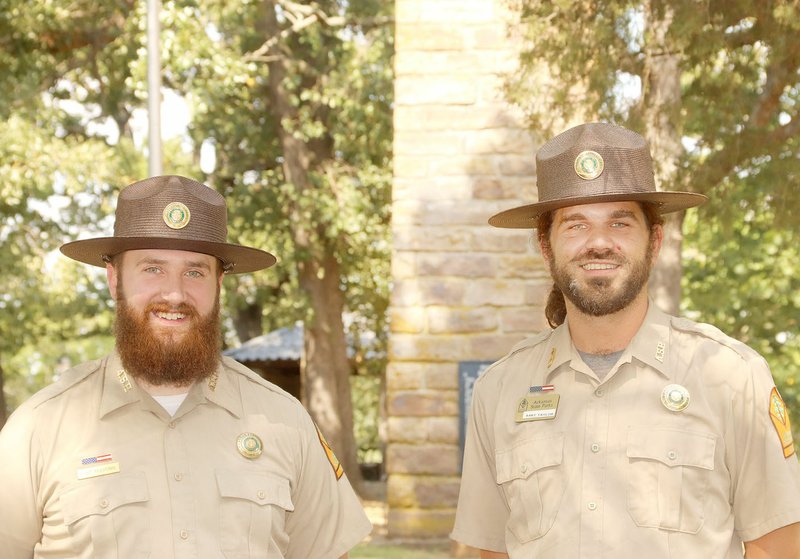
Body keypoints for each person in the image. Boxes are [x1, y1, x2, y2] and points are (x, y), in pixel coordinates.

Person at [450, 123, 800, 558]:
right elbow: (487, 551)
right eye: (576, 225)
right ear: (546, 246)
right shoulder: (499, 390)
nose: (599, 243)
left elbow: (779, 548)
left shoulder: (730, 375)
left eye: (619, 222)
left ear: (654, 242)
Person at [0, 175, 371, 558]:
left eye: (194, 272)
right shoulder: (39, 429)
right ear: (114, 280)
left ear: (219, 283)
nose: (175, 294)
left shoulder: (284, 421)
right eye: (152, 269)